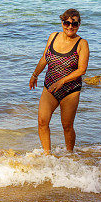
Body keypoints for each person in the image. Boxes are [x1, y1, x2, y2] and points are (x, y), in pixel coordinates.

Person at [29, 9, 90, 154]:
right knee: (42, 122)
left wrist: (62, 81)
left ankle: (70, 155)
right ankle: (47, 156)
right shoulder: (53, 36)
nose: (70, 26)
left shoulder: (82, 44)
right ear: (62, 23)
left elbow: (82, 70)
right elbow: (45, 58)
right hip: (49, 87)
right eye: (66, 23)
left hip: (70, 91)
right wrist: (35, 74)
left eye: (74, 23)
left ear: (79, 24)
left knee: (67, 125)